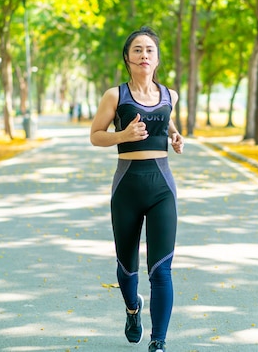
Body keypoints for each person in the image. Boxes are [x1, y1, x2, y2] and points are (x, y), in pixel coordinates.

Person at [90, 26, 184, 352]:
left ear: (157, 59)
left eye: (150, 51)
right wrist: (122, 136)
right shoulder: (115, 96)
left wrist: (175, 135)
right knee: (127, 267)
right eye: (138, 50)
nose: (144, 55)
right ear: (128, 58)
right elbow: (96, 135)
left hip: (162, 189)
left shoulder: (170, 94)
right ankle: (132, 308)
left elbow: (168, 120)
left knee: (161, 268)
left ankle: (158, 342)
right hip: (127, 188)